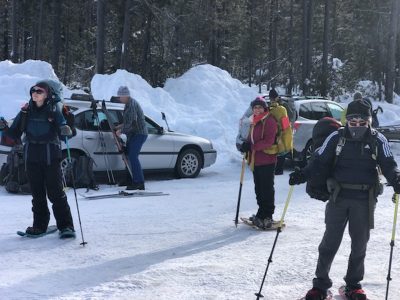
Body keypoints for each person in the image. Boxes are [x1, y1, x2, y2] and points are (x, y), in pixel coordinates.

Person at [289, 100, 400, 300]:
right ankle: (320, 286)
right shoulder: (336, 136)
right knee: (330, 242)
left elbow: (389, 164)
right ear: (346, 120)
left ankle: (353, 285)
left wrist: (397, 179)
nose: (357, 126)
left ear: (369, 121)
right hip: (338, 197)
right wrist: (303, 174)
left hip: (365, 200)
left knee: (359, 244)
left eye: (362, 122)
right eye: (353, 122)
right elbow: (319, 159)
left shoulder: (378, 139)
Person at [4, 81, 75, 237]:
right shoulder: (25, 111)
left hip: (50, 155)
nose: (35, 93)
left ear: (47, 94)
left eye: (39, 91)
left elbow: (68, 134)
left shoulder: (55, 110)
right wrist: (4, 128)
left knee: (56, 193)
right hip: (32, 156)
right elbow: (14, 134)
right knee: (37, 194)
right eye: (33, 90)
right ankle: (39, 226)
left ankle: (66, 226)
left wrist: (68, 126)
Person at [241, 97, 278, 229]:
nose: (257, 109)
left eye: (259, 107)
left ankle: (268, 216)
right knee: (259, 189)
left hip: (268, 160)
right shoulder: (255, 121)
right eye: (255, 107)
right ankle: (261, 213)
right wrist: (246, 144)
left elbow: (269, 141)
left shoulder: (270, 121)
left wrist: (252, 147)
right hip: (256, 161)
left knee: (267, 189)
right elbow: (252, 139)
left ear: (264, 108)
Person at [115, 86, 148, 190]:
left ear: (125, 95)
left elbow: (132, 124)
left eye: (120, 96)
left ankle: (139, 182)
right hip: (133, 134)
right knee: (128, 156)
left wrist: (121, 131)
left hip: (139, 133)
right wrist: (119, 126)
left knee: (133, 156)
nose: (119, 98)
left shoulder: (132, 105)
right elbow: (128, 121)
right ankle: (129, 178)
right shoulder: (128, 104)